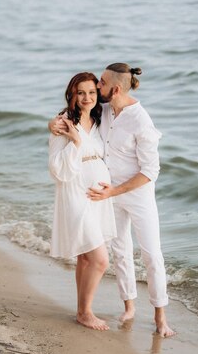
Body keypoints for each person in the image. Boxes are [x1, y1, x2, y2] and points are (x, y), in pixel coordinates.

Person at [50, 63, 175, 337]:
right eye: (92, 88)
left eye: (100, 86)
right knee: (116, 253)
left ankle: (160, 317)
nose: (95, 91)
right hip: (99, 194)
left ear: (113, 89)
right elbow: (72, 118)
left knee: (151, 254)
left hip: (132, 195)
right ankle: (126, 306)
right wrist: (53, 124)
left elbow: (150, 172)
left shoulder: (140, 121)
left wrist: (113, 192)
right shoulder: (103, 112)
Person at [49, 72, 116, 330]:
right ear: (72, 95)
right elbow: (56, 167)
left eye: (91, 92)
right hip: (76, 192)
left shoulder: (100, 119)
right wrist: (75, 142)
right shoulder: (64, 123)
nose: (86, 98)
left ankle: (80, 310)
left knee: (85, 259)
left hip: (98, 194)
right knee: (100, 260)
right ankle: (86, 313)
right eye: (81, 93)